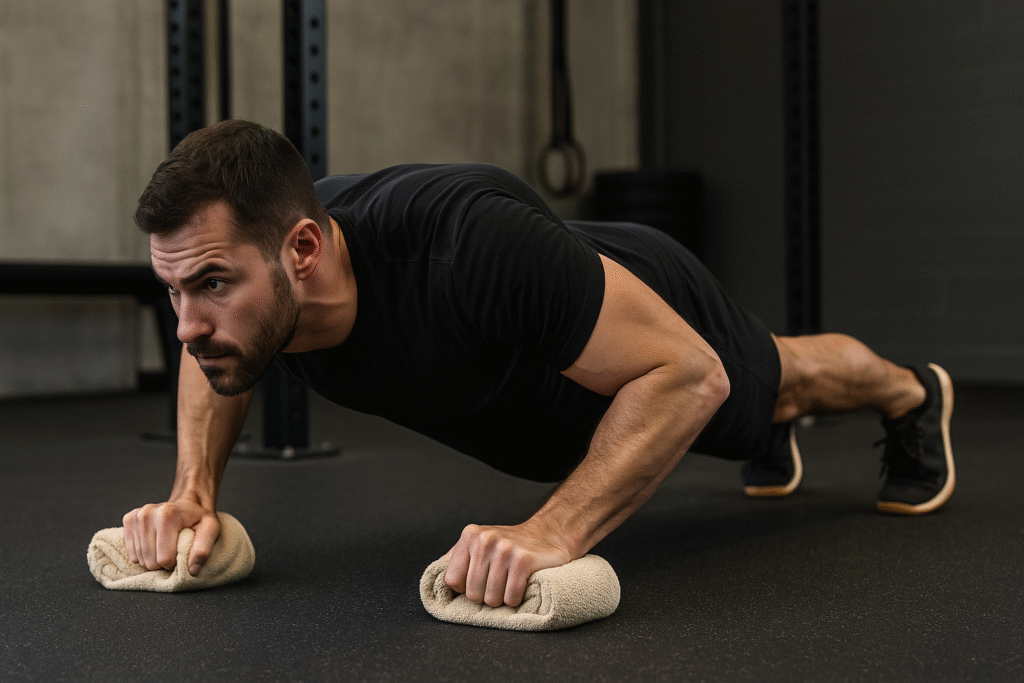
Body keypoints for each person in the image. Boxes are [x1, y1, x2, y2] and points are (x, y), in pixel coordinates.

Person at [122, 120, 955, 609]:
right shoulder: (250, 287)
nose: (187, 326)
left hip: (645, 318)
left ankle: (913, 393)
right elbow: (212, 355)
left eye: (211, 284)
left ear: (303, 250)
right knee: (751, 411)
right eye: (174, 290)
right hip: (550, 394)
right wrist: (192, 494)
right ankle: (766, 430)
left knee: (771, 380)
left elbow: (688, 374)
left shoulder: (466, 246)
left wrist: (552, 531)